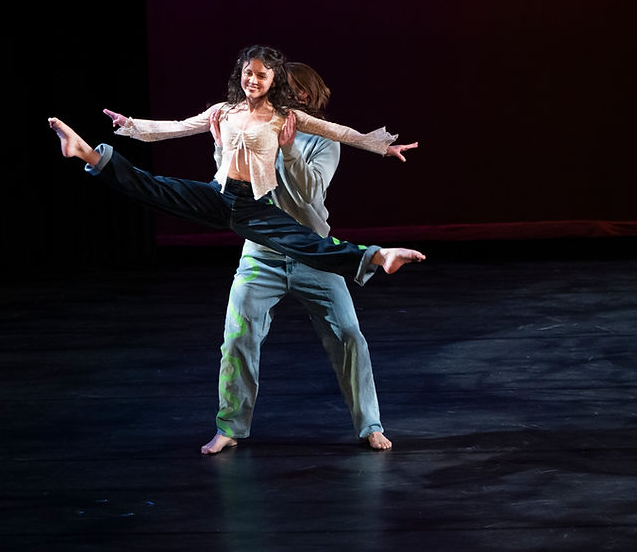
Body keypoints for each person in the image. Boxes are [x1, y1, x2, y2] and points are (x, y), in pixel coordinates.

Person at [49, 44, 425, 286]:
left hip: (253, 205)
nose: (253, 79)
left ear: (273, 80)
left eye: (262, 74)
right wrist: (131, 126)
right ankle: (87, 152)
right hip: (219, 194)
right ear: (240, 74)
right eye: (248, 72)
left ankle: (378, 255)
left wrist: (382, 147)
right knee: (157, 188)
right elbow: (176, 128)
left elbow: (339, 131)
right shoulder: (224, 111)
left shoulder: (284, 115)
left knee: (306, 241)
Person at [200, 61, 418, 455]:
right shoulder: (252, 127)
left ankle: (370, 425)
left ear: (303, 96)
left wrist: (288, 150)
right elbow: (229, 186)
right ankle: (230, 426)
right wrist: (221, 145)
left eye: (289, 89)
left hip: (315, 254)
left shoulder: (321, 141)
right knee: (238, 339)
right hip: (261, 256)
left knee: (349, 336)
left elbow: (308, 195)